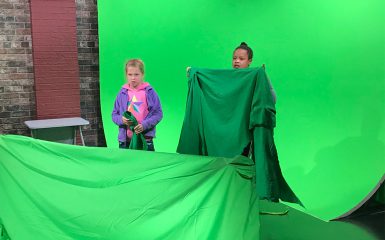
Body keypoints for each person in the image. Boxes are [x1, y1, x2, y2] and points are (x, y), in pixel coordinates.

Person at [112, 59, 163, 151]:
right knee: (126, 165)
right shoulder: (122, 93)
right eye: (130, 74)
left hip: (145, 139)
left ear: (142, 74)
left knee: (147, 164)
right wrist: (121, 120)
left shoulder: (149, 92)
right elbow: (114, 114)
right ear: (126, 75)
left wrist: (144, 125)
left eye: (136, 74)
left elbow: (158, 114)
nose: (133, 78)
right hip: (125, 142)